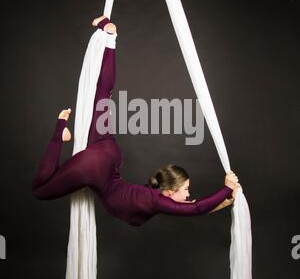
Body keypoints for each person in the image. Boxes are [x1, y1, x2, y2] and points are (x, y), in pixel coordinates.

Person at [32, 16, 241, 226]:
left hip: (108, 154)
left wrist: (226, 197)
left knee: (104, 95)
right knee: (40, 190)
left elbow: (196, 207)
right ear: (168, 191)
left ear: (167, 191)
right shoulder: (158, 200)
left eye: (187, 189)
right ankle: (59, 132)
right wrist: (226, 189)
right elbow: (196, 208)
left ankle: (110, 37)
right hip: (97, 165)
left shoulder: (156, 196)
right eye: (186, 189)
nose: (188, 194)